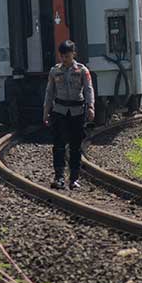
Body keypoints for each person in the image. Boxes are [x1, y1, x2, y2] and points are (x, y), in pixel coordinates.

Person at [43, 40, 95, 190]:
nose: (64, 59)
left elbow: (88, 89)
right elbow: (49, 92)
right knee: (58, 145)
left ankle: (74, 178)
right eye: (62, 56)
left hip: (77, 112)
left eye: (67, 56)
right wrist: (46, 112)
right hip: (59, 111)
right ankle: (59, 177)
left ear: (73, 54)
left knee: (75, 146)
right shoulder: (54, 71)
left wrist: (90, 107)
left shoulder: (82, 70)